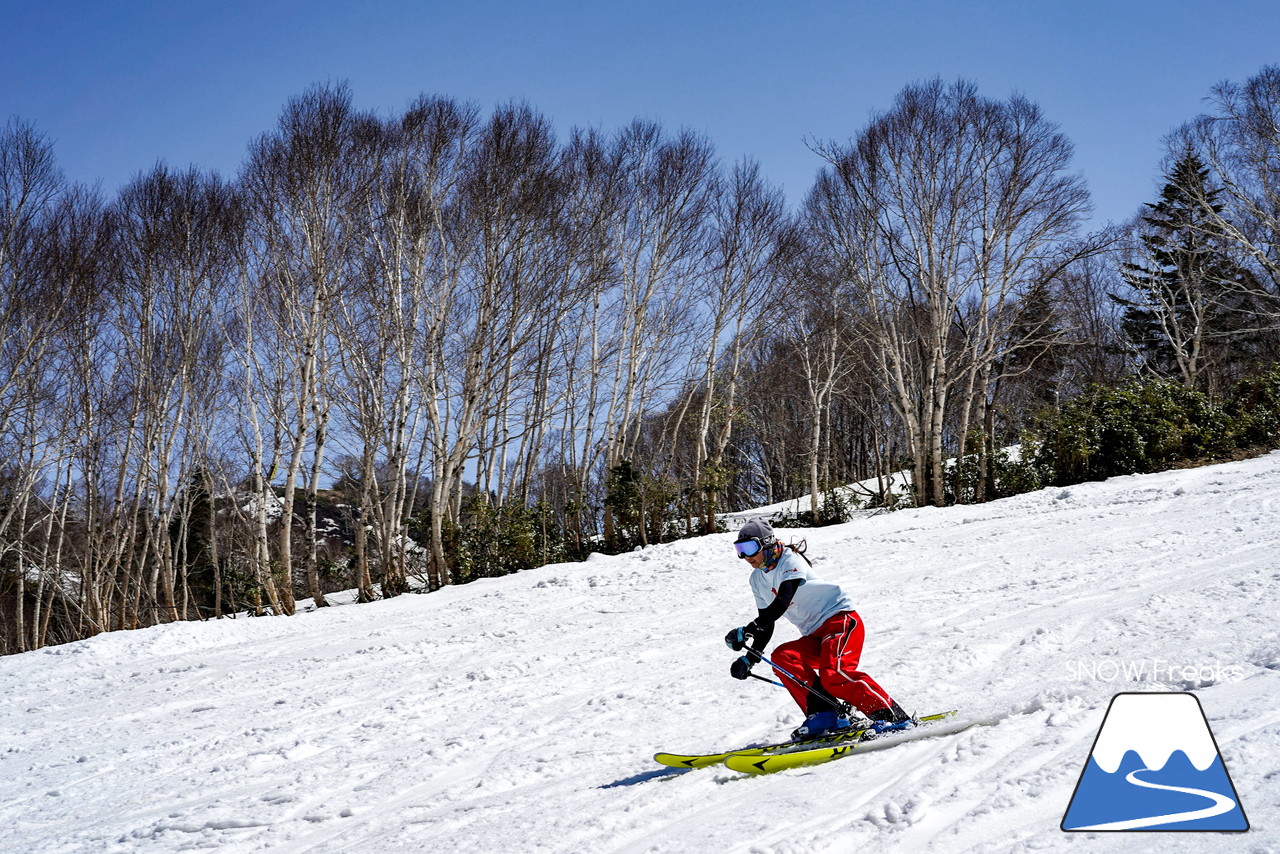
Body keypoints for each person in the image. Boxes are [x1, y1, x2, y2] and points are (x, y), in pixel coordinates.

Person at [724, 518, 910, 739]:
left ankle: (892, 717)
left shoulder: (789, 560)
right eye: (739, 549)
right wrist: (750, 658)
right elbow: (767, 620)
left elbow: (782, 601)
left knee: (833, 674)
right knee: (783, 657)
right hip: (814, 634)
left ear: (766, 543)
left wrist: (750, 628)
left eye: (749, 548)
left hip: (839, 620)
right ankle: (826, 714)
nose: (745, 556)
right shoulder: (757, 579)